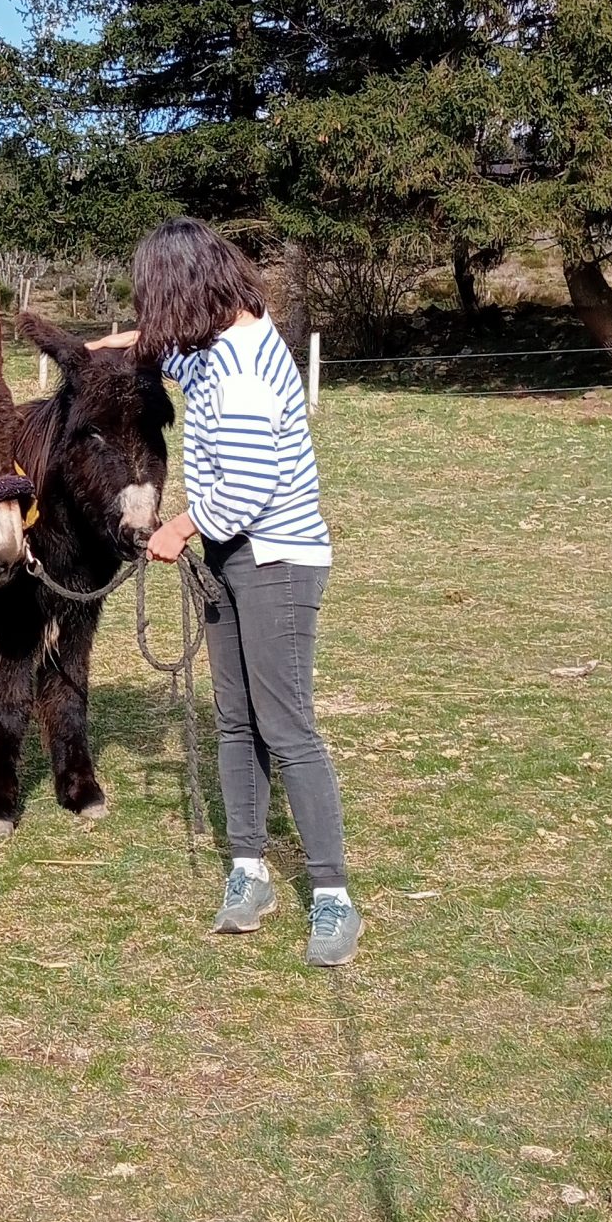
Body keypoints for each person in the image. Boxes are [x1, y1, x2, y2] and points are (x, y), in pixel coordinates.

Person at [93, 218, 361, 967]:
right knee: (236, 720)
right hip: (232, 558)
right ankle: (249, 872)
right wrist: (105, 347)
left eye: (156, 299)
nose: (153, 319)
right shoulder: (226, 342)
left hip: (272, 560)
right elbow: (168, 352)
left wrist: (178, 526)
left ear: (185, 291)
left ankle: (333, 895)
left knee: (287, 726)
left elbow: (246, 489)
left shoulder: (241, 373)